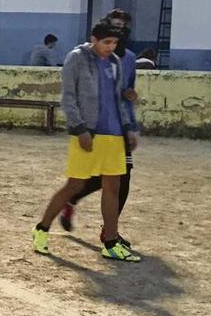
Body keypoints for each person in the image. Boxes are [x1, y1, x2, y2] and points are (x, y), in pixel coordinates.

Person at [32, 20, 139, 262]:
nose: (111, 47)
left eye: (114, 43)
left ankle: (110, 242)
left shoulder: (115, 63)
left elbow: (115, 99)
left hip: (113, 134)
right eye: (106, 42)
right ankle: (42, 228)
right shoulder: (76, 58)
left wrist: (128, 128)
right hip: (88, 133)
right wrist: (79, 129)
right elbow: (68, 97)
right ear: (94, 38)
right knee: (74, 186)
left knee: (113, 187)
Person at [59, 9, 140, 246]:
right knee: (94, 176)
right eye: (115, 25)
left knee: (120, 178)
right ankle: (72, 198)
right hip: (94, 125)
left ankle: (109, 231)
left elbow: (125, 92)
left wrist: (130, 113)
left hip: (118, 126)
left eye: (123, 27)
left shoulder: (129, 58)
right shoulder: (85, 55)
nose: (119, 30)